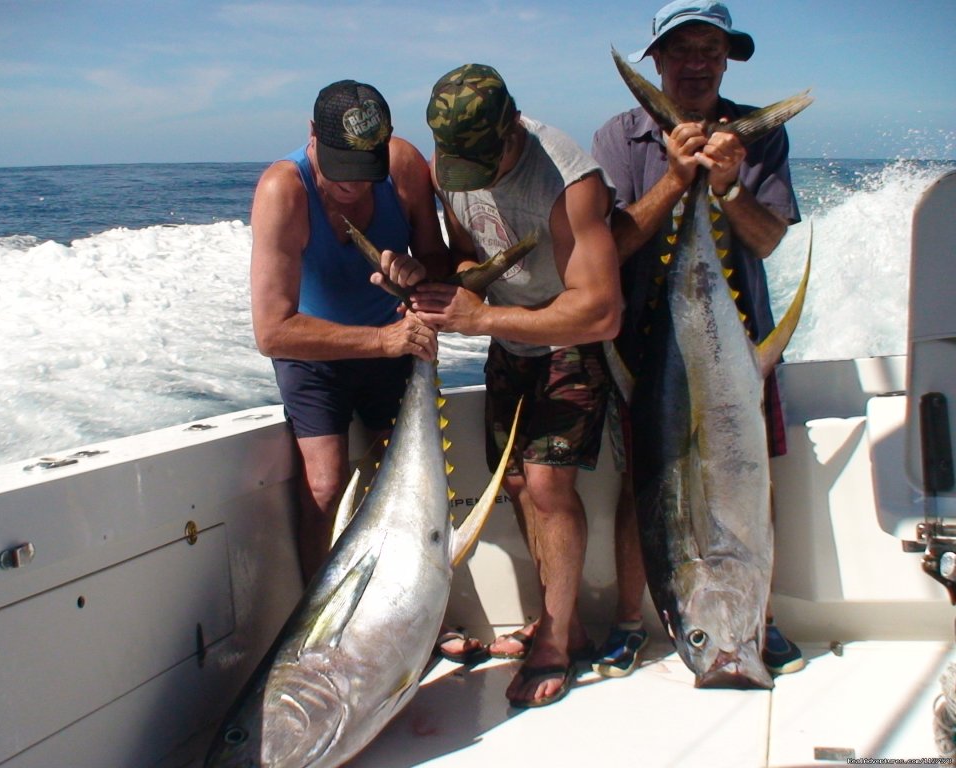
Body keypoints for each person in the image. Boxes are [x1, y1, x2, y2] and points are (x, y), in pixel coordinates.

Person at [591, 0, 805, 678]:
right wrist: (679, 179)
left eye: (710, 50)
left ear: (727, 58)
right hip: (650, 350)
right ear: (655, 60)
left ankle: (760, 618)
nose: (696, 64)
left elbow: (768, 240)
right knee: (646, 485)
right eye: (681, 50)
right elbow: (615, 244)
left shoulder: (758, 139)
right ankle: (632, 623)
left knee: (750, 476)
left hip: (736, 342)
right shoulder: (619, 139)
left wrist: (728, 185)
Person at [411, 63, 623, 708]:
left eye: (485, 159)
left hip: (568, 340)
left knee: (549, 483)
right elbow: (466, 247)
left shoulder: (570, 181)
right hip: (507, 341)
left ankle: (555, 642)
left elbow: (600, 310)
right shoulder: (451, 165)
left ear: (512, 129)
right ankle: (564, 623)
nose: (469, 174)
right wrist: (434, 277)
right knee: (513, 482)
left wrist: (480, 317)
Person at [250, 79, 448, 586]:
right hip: (312, 348)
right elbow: (273, 332)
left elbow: (438, 261)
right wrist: (382, 341)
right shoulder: (283, 191)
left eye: (365, 173)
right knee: (324, 485)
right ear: (312, 134)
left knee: (407, 484)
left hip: (396, 341)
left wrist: (417, 273)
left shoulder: (404, 167)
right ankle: (320, 625)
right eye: (341, 170)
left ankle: (414, 611)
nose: (354, 186)